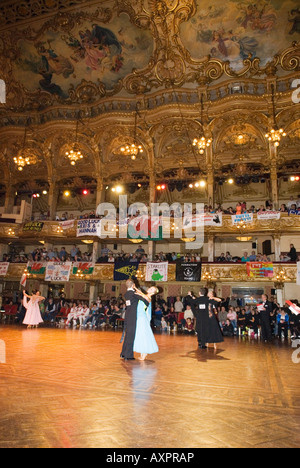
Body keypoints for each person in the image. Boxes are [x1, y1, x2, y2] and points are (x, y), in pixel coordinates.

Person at [121, 279, 148, 361]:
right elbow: (145, 299)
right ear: (133, 285)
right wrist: (146, 307)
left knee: (127, 335)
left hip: (127, 315)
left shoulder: (126, 294)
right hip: (133, 317)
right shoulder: (133, 293)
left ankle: (123, 353)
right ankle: (128, 355)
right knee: (131, 336)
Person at [133, 287, 159, 361]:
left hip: (142, 318)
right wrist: (135, 288)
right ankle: (142, 353)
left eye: (151, 289)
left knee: (143, 335)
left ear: (153, 293)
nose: (149, 289)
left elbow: (141, 294)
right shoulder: (145, 296)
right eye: (150, 288)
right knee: (141, 335)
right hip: (139, 317)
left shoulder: (148, 298)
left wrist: (134, 288)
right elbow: (141, 294)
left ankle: (144, 354)